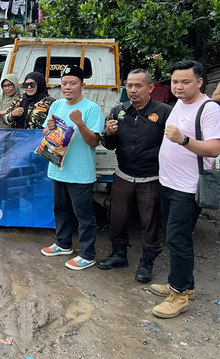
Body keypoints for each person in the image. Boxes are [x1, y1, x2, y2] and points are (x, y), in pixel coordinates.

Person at [151, 60, 220, 319]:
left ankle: (179, 295)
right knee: (173, 236)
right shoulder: (180, 103)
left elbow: (214, 148)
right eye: (175, 82)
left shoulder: (209, 109)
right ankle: (183, 285)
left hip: (188, 188)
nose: (178, 87)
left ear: (200, 82)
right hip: (168, 182)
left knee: (178, 240)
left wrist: (184, 140)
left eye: (185, 81)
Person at [97, 69, 172, 283]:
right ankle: (119, 255)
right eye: (129, 85)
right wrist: (108, 134)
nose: (132, 90)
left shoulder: (165, 112)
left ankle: (147, 262)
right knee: (117, 217)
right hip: (123, 174)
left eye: (138, 85)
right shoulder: (118, 111)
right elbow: (110, 146)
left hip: (151, 178)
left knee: (150, 221)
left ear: (150, 88)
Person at [40, 66, 105, 270]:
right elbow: (45, 133)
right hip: (58, 168)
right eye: (64, 83)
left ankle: (87, 254)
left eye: (72, 83)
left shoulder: (91, 109)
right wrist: (48, 129)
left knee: (84, 215)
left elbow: (94, 141)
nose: (67, 87)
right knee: (60, 210)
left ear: (82, 85)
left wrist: (80, 123)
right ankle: (63, 244)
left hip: (79, 172)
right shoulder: (57, 105)